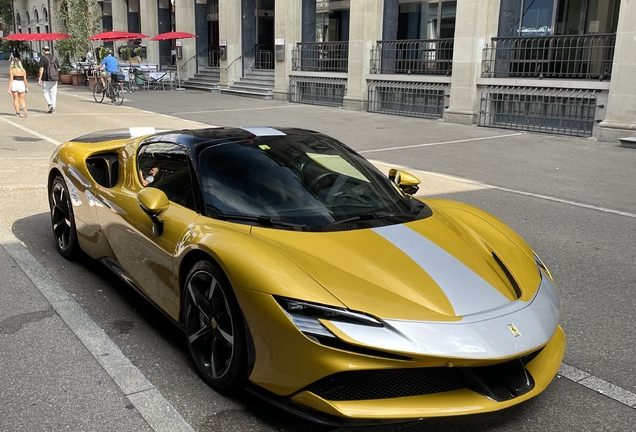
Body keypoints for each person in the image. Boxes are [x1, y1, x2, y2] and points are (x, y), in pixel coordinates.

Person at [38, 46, 60, 114]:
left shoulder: (43, 58)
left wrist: (40, 78)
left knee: (45, 92)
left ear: (43, 50)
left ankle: (49, 104)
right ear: (49, 50)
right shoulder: (54, 57)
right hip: (54, 78)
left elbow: (41, 69)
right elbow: (58, 69)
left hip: (46, 78)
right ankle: (53, 108)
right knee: (53, 93)